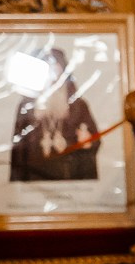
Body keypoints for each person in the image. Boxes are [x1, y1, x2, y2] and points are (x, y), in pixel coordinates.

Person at [7, 47, 100, 181]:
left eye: (55, 64)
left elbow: (94, 139)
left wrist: (88, 142)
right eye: (46, 64)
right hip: (35, 179)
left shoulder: (78, 105)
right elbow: (18, 151)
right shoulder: (26, 106)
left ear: (63, 69)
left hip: (69, 176)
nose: (51, 70)